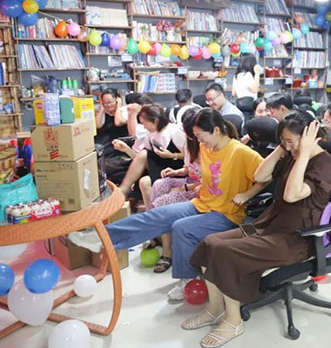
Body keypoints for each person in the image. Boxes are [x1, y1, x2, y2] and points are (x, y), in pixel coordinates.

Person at [68, 109, 267, 300]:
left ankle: (186, 279)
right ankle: (101, 237)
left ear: (216, 130)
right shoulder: (207, 148)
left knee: (182, 227)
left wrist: (247, 194)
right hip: (202, 204)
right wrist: (200, 184)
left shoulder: (241, 152)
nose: (199, 141)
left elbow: (266, 177)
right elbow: (209, 175)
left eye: (200, 136)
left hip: (227, 214)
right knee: (157, 214)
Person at [186, 113, 331, 347]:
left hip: (295, 239)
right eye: (283, 141)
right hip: (268, 225)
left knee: (225, 252)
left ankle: (233, 321)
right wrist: (283, 148)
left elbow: (292, 194)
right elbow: (260, 175)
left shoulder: (326, 164)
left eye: (291, 141)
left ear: (310, 137)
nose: (288, 146)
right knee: (210, 243)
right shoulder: (290, 154)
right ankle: (215, 309)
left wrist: (304, 154)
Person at [146, 107, 203, 273]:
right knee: (159, 185)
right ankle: (158, 234)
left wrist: (182, 188)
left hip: (199, 188)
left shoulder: (206, 147)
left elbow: (208, 181)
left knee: (163, 202)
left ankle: (167, 252)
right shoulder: (190, 145)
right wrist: (175, 172)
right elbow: (189, 169)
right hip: (189, 181)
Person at [116, 104, 186, 200]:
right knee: (144, 161)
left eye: (144, 123)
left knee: (144, 174)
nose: (144, 127)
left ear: (155, 121)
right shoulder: (150, 133)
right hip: (160, 167)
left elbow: (190, 156)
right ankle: (125, 189)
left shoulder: (175, 131)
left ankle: (125, 189)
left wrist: (172, 155)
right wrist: (126, 149)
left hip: (176, 168)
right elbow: (140, 160)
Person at [95, 89, 128, 158]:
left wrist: (118, 107)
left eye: (110, 102)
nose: (108, 105)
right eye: (105, 103)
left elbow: (118, 123)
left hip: (116, 143)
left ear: (117, 100)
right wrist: (101, 108)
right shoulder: (104, 112)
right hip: (102, 141)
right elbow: (97, 126)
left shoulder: (124, 111)